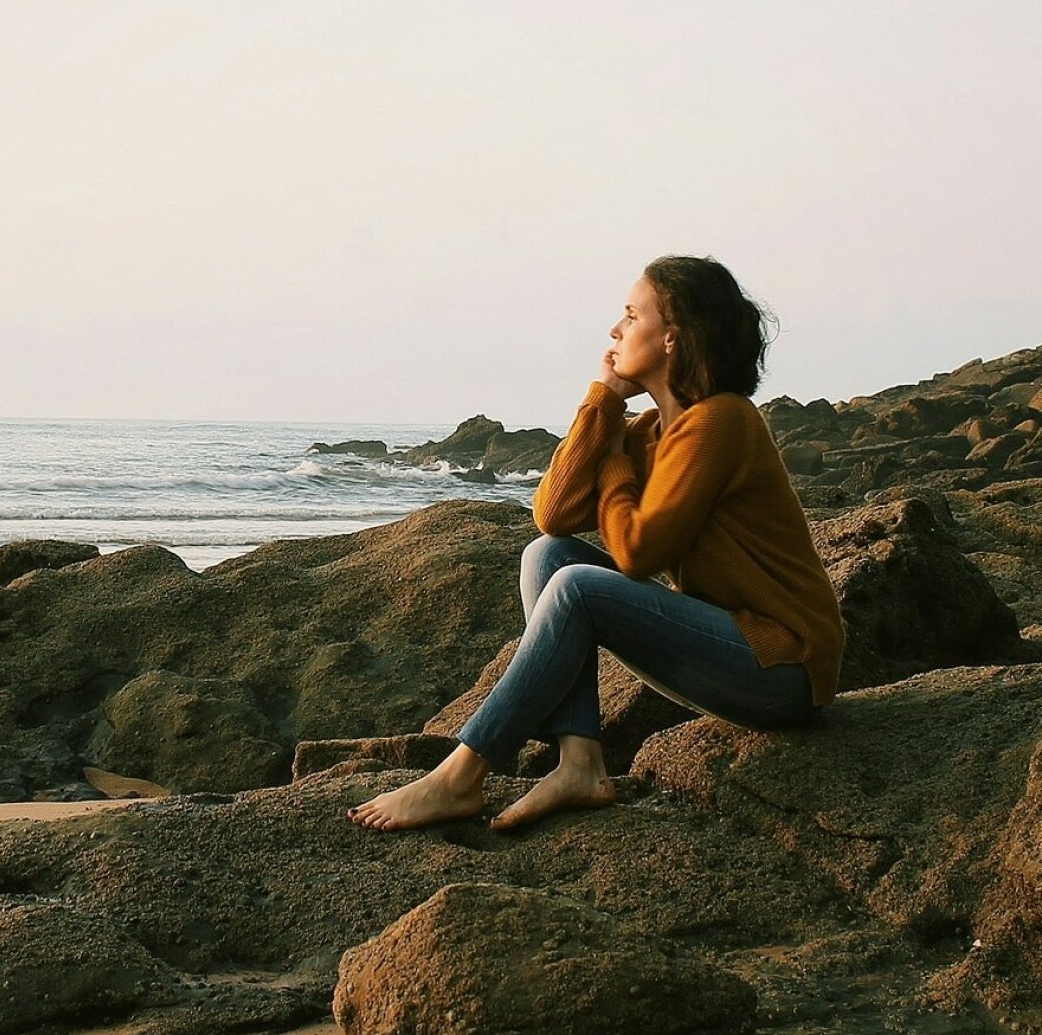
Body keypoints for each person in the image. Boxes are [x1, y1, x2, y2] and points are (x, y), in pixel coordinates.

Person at [348, 255, 845, 832]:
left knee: (579, 587)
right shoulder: (647, 432)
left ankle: (462, 775)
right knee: (548, 557)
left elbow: (636, 552)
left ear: (671, 339)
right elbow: (552, 515)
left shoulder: (723, 422)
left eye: (632, 315)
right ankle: (580, 760)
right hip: (729, 643)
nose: (615, 330)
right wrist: (604, 400)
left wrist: (612, 468)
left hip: (783, 666)